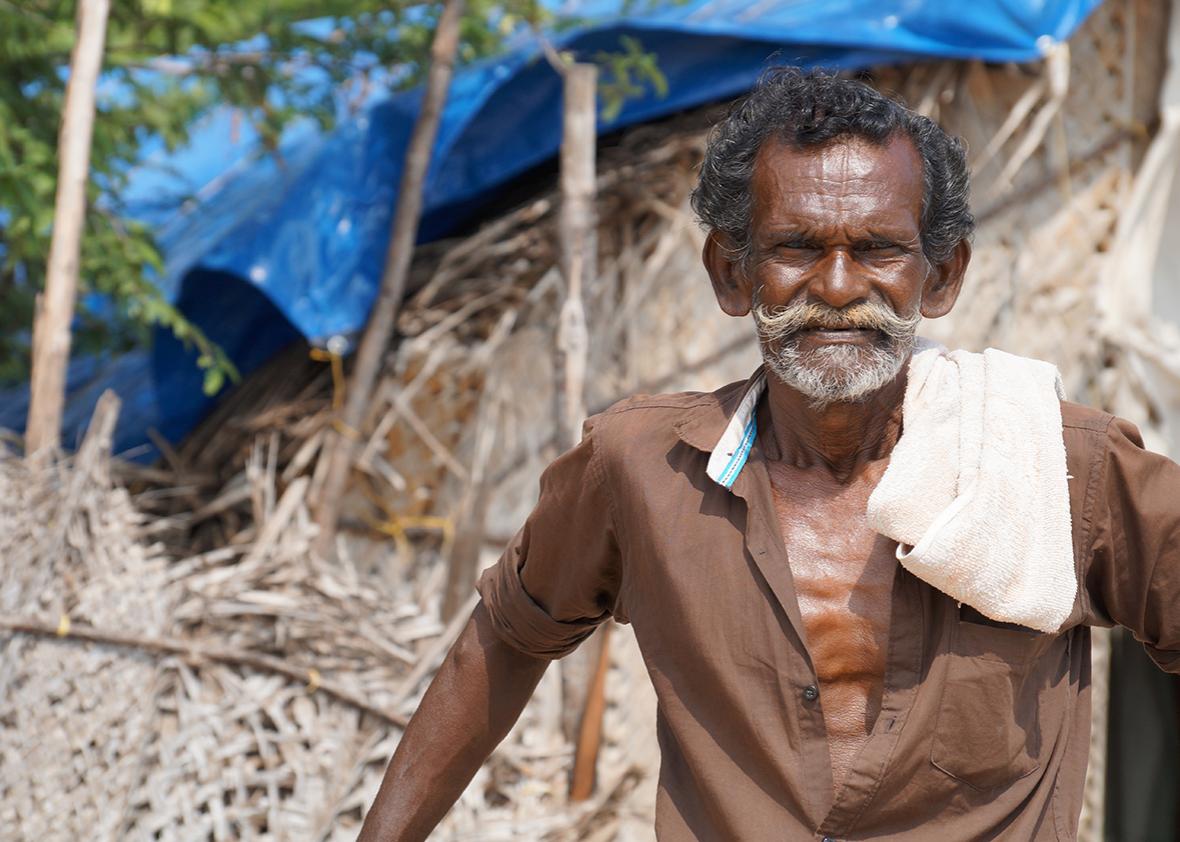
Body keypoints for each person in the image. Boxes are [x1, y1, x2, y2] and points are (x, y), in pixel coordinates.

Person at [358, 68, 1180, 841]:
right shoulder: (641, 468)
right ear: (732, 273)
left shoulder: (1056, 467)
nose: (834, 285)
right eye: (795, 247)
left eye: (879, 250)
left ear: (941, 276)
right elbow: (504, 638)